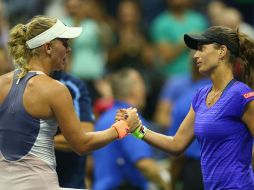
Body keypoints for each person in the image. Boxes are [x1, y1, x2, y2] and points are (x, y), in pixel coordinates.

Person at [0, 15, 139, 189]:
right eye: (64, 43)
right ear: (48, 47)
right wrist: (123, 127)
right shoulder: (55, 89)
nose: (69, 50)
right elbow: (82, 145)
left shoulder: (1, 83)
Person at [117, 26, 254, 189]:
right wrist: (138, 130)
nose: (196, 55)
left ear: (222, 51)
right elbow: (176, 145)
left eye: (202, 49)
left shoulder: (242, 95)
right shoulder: (200, 96)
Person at [92, 68, 171, 190]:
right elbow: (144, 163)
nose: (145, 89)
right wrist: (166, 184)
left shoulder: (104, 118)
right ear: (133, 90)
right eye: (142, 84)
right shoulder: (130, 119)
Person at [52, 71, 95, 189]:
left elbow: (85, 136)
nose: (68, 52)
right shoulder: (15, 83)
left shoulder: (72, 86)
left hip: (69, 180)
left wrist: (38, 141)